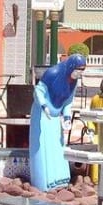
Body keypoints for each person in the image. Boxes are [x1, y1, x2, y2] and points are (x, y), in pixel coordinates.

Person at [29, 54, 86, 190]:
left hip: (55, 118)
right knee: (43, 147)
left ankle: (60, 179)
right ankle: (45, 183)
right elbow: (38, 91)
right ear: (71, 66)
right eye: (78, 69)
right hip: (42, 115)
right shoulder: (53, 73)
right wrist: (44, 106)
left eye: (82, 70)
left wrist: (66, 117)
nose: (79, 73)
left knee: (57, 146)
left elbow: (68, 101)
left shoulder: (73, 81)